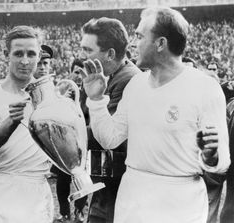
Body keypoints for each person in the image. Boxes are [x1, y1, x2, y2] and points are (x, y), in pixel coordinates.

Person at [80, 7, 230, 223]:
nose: (133, 43)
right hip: (133, 197)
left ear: (160, 43)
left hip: (179, 201)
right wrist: (96, 101)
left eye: (140, 36)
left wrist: (211, 156)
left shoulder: (205, 88)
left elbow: (222, 162)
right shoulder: (136, 85)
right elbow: (110, 139)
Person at [0, 25, 54, 223]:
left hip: (35, 190)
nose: (25, 61)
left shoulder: (52, 96)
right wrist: (11, 121)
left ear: (39, 55)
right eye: (18, 53)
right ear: (6, 54)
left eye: (31, 54)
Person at [79, 17, 141, 223]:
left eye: (88, 50)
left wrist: (64, 136)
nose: (82, 56)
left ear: (110, 54)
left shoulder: (128, 80)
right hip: (106, 177)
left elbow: (104, 134)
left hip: (117, 181)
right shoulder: (107, 76)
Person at [53, 58, 88, 223]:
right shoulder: (60, 91)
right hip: (65, 143)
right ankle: (64, 212)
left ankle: (80, 211)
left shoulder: (90, 92)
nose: (80, 76)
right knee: (63, 179)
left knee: (83, 180)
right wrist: (63, 101)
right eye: (76, 72)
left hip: (83, 144)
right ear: (70, 72)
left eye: (83, 73)